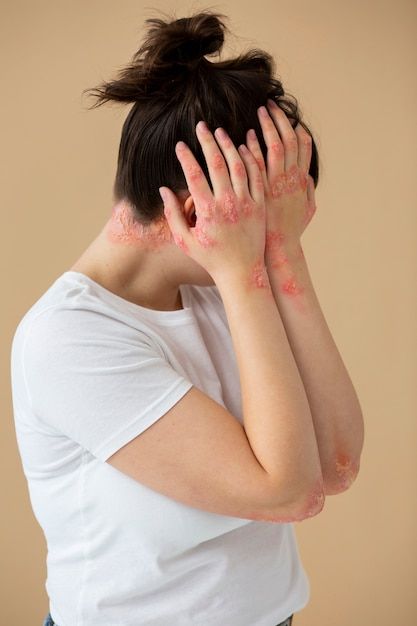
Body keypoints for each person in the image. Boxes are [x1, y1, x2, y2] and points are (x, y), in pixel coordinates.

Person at [11, 9, 364, 626]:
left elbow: (335, 465)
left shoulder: (224, 288)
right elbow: (288, 493)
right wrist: (245, 269)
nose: (273, 240)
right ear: (197, 212)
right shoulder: (66, 339)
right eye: (267, 222)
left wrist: (283, 253)